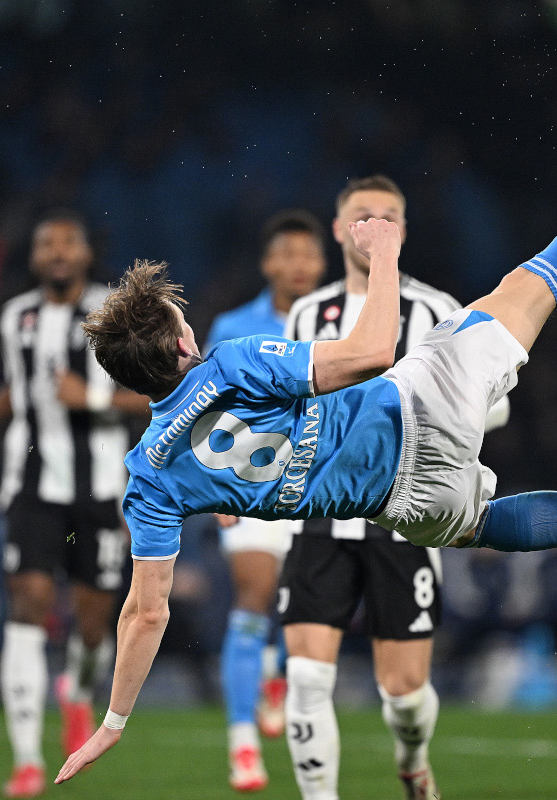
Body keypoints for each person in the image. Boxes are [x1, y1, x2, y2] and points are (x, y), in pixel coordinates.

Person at [55, 97, 557, 787]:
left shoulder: (148, 476)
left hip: (402, 505)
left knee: (482, 525)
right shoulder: (231, 363)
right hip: (417, 408)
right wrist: (383, 256)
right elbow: (373, 351)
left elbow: (145, 610)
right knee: (535, 284)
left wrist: (114, 723)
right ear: (181, 341)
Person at [279, 174, 510, 800]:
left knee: (404, 696)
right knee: (304, 678)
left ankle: (412, 763)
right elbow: (287, 405)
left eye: (388, 216)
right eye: (362, 216)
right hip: (320, 513)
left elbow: (494, 406)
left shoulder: (439, 311)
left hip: (404, 515)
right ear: (338, 228)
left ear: (402, 232)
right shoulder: (306, 312)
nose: (375, 226)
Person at [0, 209, 153, 798]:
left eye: (68, 243)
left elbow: (159, 392)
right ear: (34, 259)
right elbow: (21, 385)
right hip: (31, 487)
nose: (57, 252)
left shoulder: (118, 312)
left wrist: (93, 398)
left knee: (91, 621)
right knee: (29, 601)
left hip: (102, 489)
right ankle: (27, 761)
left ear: (86, 254)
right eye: (46, 244)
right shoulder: (17, 317)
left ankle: (79, 693)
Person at [203, 209, 328, 792]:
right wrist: (217, 485)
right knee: (254, 594)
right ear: (268, 262)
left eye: (310, 255)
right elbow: (204, 407)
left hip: (318, 484)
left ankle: (274, 672)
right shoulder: (233, 325)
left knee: (297, 599)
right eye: (290, 254)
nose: (300, 264)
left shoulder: (335, 321)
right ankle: (241, 746)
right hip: (248, 481)